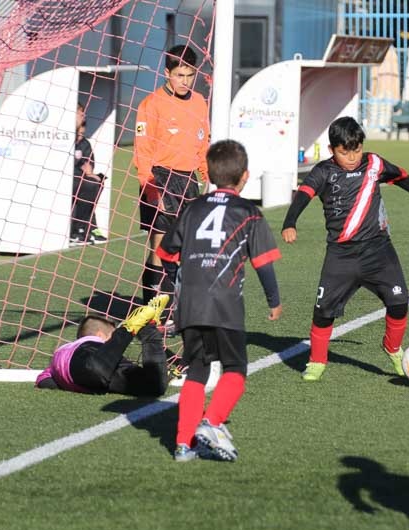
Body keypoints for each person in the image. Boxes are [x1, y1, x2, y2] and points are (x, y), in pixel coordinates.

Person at [281, 116, 409, 382]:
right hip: (341, 256)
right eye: (344, 152)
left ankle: (392, 348)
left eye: (356, 149)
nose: (352, 157)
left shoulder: (375, 163)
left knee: (399, 301)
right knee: (323, 311)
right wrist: (290, 221)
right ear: (332, 150)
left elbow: (401, 177)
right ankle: (317, 361)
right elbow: (304, 195)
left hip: (379, 250)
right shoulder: (323, 172)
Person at [156, 140, 282, 462]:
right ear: (245, 176)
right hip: (224, 304)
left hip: (190, 304)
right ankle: (210, 424)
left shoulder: (193, 208)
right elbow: (263, 263)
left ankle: (183, 445)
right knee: (236, 368)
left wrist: (179, 280)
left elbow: (166, 254)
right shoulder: (249, 213)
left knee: (197, 371)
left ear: (210, 176)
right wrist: (274, 300)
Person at [134, 44, 210, 307]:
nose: (185, 81)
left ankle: (173, 303)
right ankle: (151, 308)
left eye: (190, 75)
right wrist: (152, 192)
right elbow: (142, 153)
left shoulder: (199, 102)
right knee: (159, 245)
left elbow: (203, 144)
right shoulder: (151, 104)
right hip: (160, 178)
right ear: (167, 72)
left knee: (183, 248)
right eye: (180, 75)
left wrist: (207, 176)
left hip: (188, 182)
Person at [35, 295, 170, 396]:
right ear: (100, 335)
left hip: (92, 378)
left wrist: (68, 384)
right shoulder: (89, 344)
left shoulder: (64, 351)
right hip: (92, 363)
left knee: (155, 387)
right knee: (104, 361)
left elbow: (43, 381)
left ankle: (146, 326)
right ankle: (131, 328)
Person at [70, 103, 107, 245]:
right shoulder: (63, 137)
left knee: (96, 183)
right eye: (80, 113)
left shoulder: (85, 144)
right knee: (89, 185)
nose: (83, 115)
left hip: (79, 180)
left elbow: (88, 165)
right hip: (66, 181)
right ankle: (79, 230)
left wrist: (91, 173)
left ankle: (88, 229)